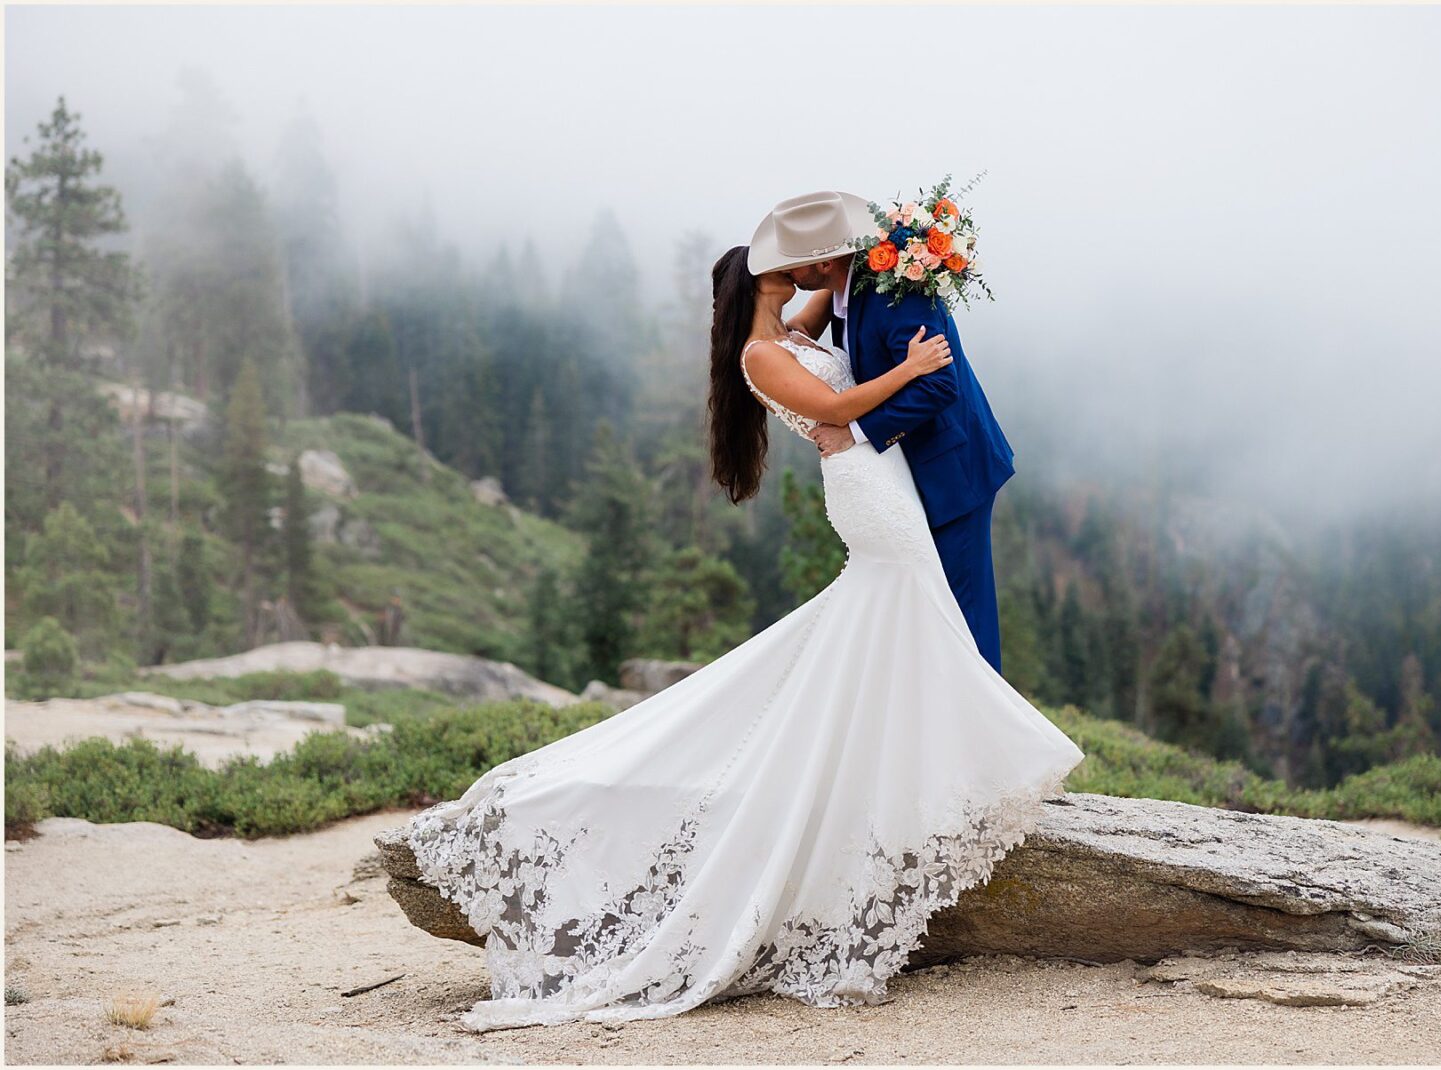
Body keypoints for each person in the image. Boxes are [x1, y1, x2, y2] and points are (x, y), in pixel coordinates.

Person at [398, 202, 1084, 1033]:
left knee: (891, 620)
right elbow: (837, 412)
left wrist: (885, 259)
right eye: (785, 268)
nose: (801, 275)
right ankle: (955, 754)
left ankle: (930, 753)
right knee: (900, 608)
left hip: (880, 480)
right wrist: (909, 371)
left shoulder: (791, 322)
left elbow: (834, 293)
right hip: (866, 487)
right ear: (763, 280)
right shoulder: (763, 355)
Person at [751, 190, 1018, 672]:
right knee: (922, 612)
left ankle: (986, 739)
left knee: (962, 612)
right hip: (903, 475)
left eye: (795, 263)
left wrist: (854, 431)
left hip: (952, 468)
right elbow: (800, 334)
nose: (789, 272)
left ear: (826, 262)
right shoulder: (840, 290)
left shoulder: (897, 296)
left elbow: (939, 387)